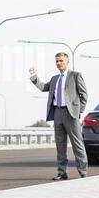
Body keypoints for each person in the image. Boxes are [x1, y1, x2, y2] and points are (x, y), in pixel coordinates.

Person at [29, 52, 88, 180]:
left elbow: (84, 95)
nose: (59, 63)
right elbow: (44, 87)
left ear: (67, 62)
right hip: (57, 113)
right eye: (57, 61)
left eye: (61, 61)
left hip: (71, 113)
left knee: (77, 144)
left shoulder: (75, 76)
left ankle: (83, 172)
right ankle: (62, 172)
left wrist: (78, 111)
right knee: (60, 145)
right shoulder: (55, 78)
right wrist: (34, 76)